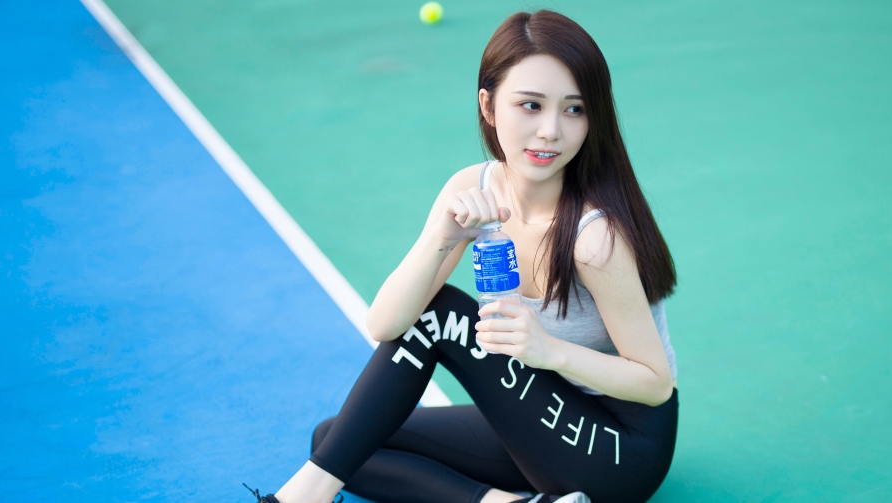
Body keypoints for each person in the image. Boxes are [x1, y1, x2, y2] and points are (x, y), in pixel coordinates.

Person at [247, 10, 679, 503]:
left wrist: (548, 351)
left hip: (621, 451)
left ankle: (295, 500)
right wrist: (443, 234)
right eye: (531, 105)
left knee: (443, 313)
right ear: (489, 106)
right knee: (336, 443)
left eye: (574, 109)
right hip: (539, 409)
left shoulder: (593, 237)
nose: (551, 131)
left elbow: (654, 384)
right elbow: (386, 325)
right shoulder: (471, 189)